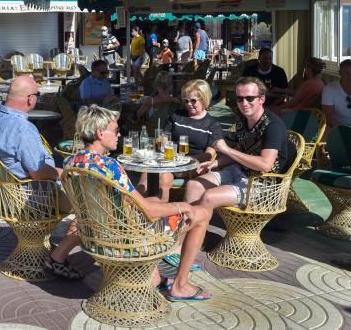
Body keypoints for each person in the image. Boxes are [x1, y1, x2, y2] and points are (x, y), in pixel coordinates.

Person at [66, 105, 212, 301]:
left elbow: (135, 203)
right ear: (100, 133)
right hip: (125, 237)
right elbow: (150, 212)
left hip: (95, 234)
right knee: (201, 213)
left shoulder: (71, 162)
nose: (119, 135)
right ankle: (180, 285)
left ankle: (152, 275)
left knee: (154, 199)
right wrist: (184, 206)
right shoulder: (109, 166)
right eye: (116, 130)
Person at [0, 75, 84, 280]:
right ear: (29, 99)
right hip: (34, 198)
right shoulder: (22, 129)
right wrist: (64, 173)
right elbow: (38, 172)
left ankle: (51, 251)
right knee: (89, 200)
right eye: (37, 94)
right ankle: (58, 258)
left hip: (7, 195)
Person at [184, 77, 290, 212]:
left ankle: (191, 230)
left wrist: (227, 150)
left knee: (209, 197)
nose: (244, 103)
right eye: (240, 99)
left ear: (261, 99)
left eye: (250, 98)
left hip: (261, 183)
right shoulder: (243, 120)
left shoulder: (272, 125)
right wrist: (216, 163)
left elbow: (265, 165)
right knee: (193, 185)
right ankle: (188, 230)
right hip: (240, 170)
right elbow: (241, 149)